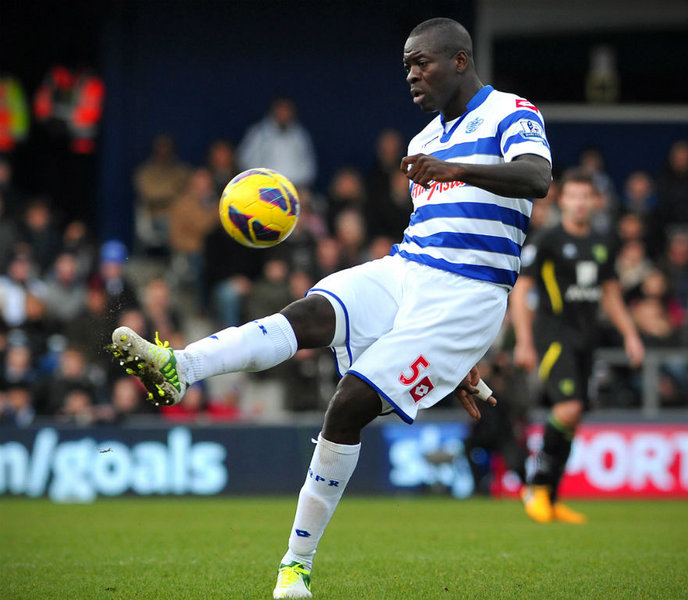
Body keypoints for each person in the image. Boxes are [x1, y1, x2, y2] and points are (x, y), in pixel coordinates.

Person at [107, 17, 552, 599]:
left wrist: (459, 171)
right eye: (406, 66)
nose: (412, 75)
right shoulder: (423, 143)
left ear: (461, 60)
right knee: (310, 312)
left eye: (422, 62)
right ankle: (179, 368)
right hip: (410, 269)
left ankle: (296, 566)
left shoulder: (512, 113)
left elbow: (538, 177)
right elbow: (442, 226)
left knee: (348, 405)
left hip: (469, 295)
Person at [510, 168, 644, 524]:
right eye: (574, 196)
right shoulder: (547, 239)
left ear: (595, 201)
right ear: (562, 199)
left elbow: (611, 293)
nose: (581, 203)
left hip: (588, 338)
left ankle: (551, 499)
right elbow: (522, 291)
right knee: (568, 408)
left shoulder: (604, 241)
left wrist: (630, 334)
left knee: (575, 415)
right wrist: (524, 341)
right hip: (553, 335)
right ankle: (535, 486)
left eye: (587, 196)